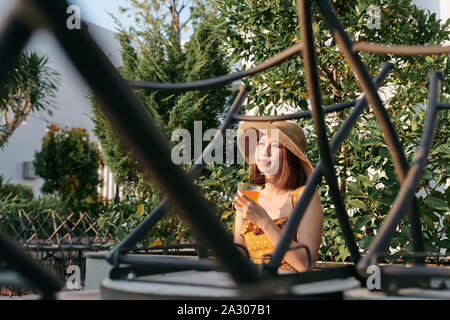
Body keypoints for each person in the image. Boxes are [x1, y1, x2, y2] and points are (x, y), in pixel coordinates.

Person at [234, 120, 323, 272]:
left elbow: (305, 264)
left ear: (290, 156)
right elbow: (239, 254)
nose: (264, 152)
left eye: (275, 146)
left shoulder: (304, 197)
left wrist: (263, 221)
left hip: (290, 288)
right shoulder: (251, 197)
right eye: (261, 144)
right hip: (255, 284)